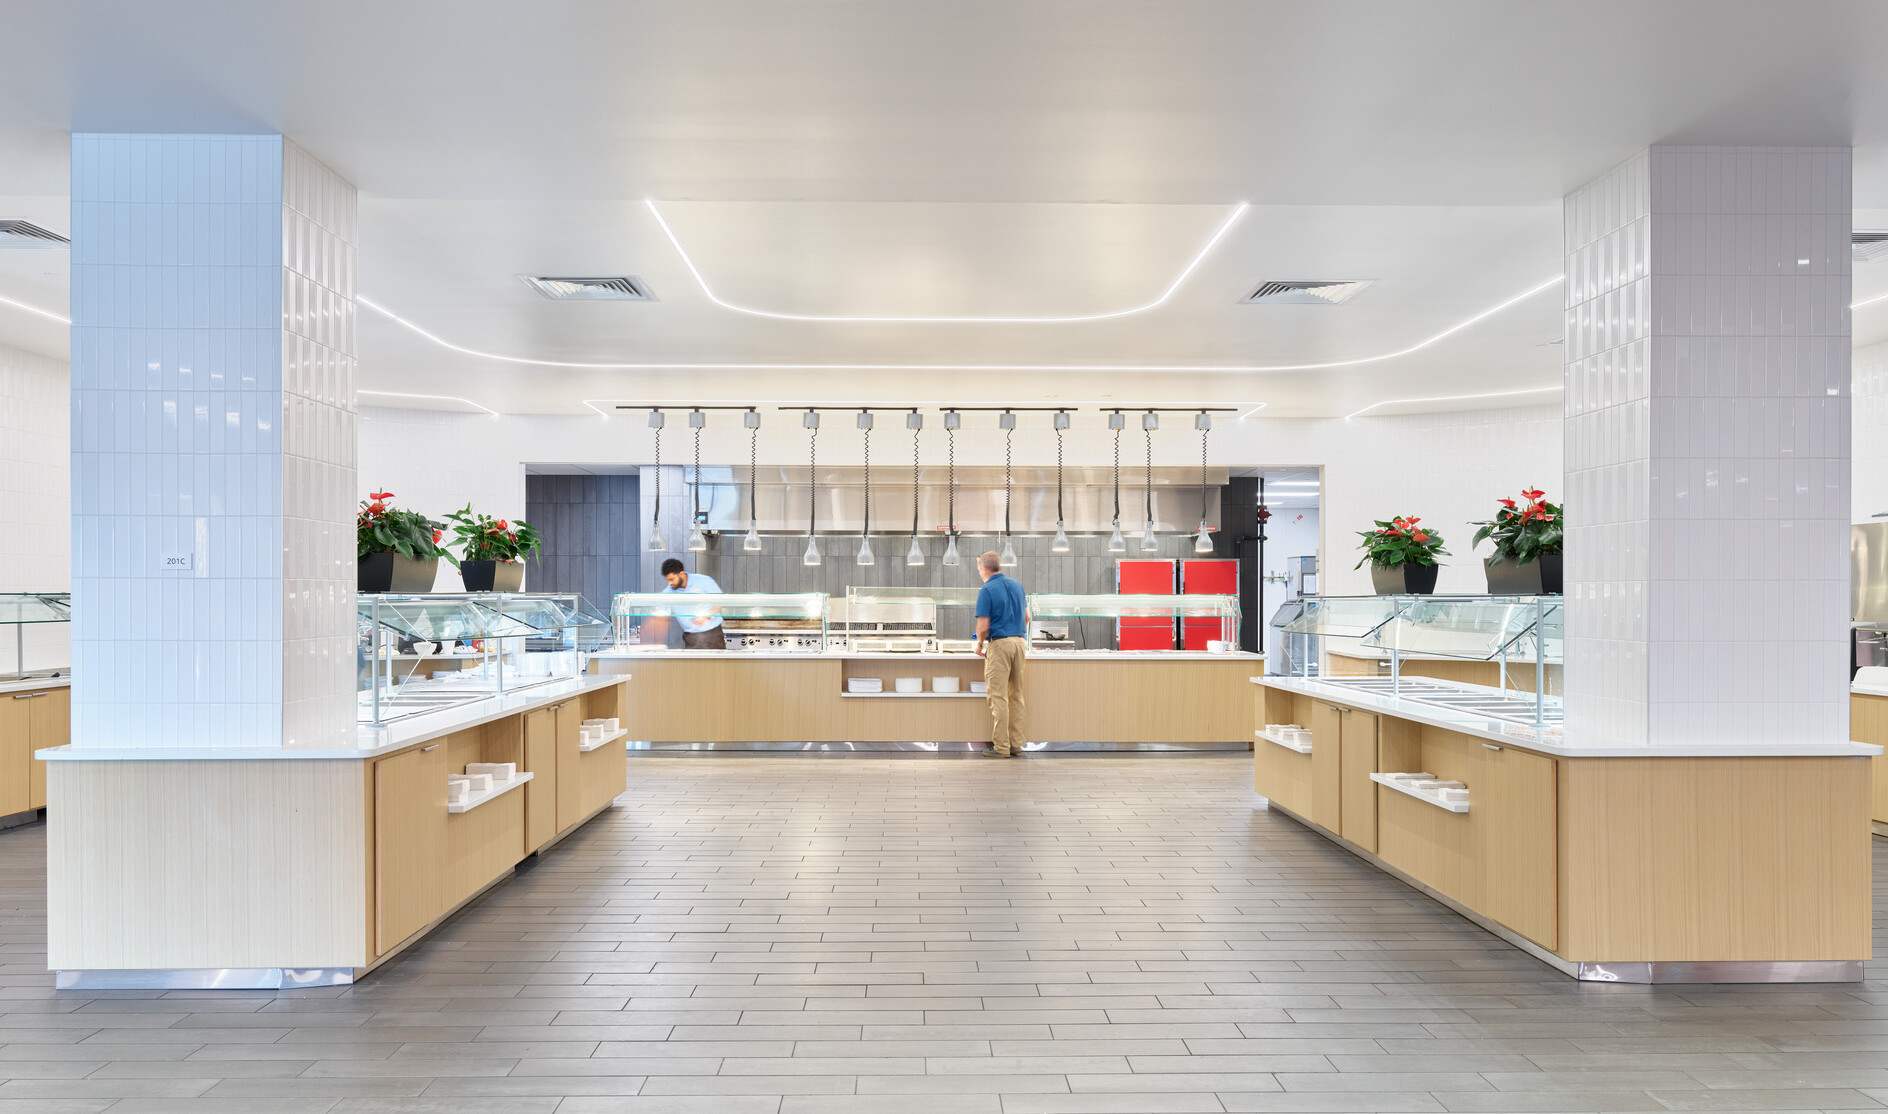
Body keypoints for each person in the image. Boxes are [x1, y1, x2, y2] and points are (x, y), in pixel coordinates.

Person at [973, 550, 1028, 758]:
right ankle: (1016, 744)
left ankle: (1001, 747)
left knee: (998, 696)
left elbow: (983, 625)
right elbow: (1027, 617)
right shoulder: (1017, 586)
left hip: (1000, 645)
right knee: (1017, 695)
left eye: (979, 568)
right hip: (1019, 643)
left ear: (983, 568)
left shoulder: (987, 590)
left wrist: (979, 644)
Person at [660, 558, 727, 650]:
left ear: (681, 574)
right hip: (690, 637)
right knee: (693, 664)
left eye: (672, 579)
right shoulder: (668, 592)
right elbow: (661, 613)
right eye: (667, 580)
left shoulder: (704, 581)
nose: (669, 583)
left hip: (713, 634)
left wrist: (706, 616)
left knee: (718, 664)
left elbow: (721, 601)